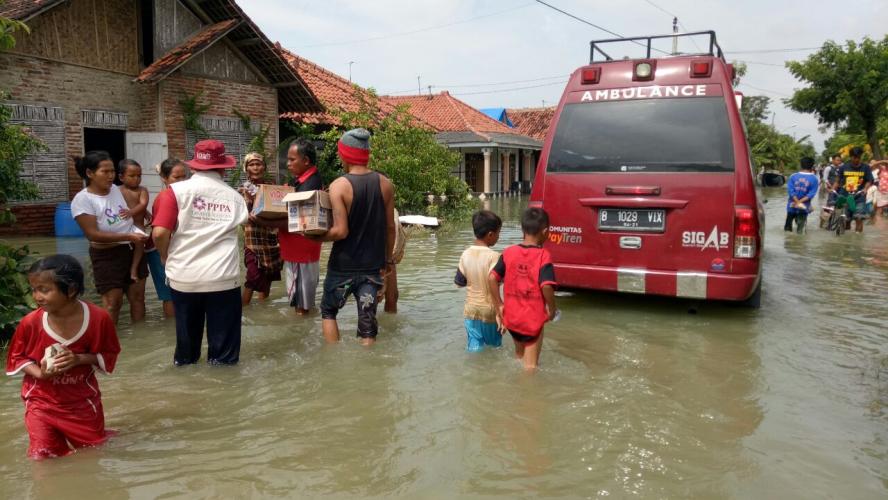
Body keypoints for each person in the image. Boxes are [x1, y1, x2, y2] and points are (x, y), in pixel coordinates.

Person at [5, 255, 121, 459]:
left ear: (71, 289)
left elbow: (108, 353)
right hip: (40, 402)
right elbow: (17, 357)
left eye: (44, 289)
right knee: (42, 457)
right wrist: (41, 374)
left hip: (82, 402)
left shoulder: (98, 318)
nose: (37, 297)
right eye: (34, 290)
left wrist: (78, 359)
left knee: (93, 453)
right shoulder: (30, 323)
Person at [151, 140, 248, 365]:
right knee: (224, 356)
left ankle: (186, 389)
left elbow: (159, 234)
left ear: (193, 166)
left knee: (186, 349)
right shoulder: (235, 197)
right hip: (223, 279)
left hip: (184, 278)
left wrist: (165, 257)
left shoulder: (172, 193)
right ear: (223, 168)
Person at [314, 128, 396, 346]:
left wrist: (315, 237)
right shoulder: (385, 184)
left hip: (342, 266)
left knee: (329, 312)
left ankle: (332, 361)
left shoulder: (339, 185)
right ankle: (369, 370)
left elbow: (340, 231)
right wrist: (387, 261)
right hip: (373, 267)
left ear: (344, 154)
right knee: (367, 324)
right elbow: (390, 227)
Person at [71, 151, 148, 324]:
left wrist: (144, 214)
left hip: (132, 248)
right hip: (107, 255)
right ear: (90, 173)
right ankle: (109, 344)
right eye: (105, 172)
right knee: (113, 303)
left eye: (112, 171)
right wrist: (128, 235)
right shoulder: (82, 200)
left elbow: (131, 207)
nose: (111, 176)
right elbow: (92, 234)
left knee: (138, 299)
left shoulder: (114, 189)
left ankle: (140, 337)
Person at [488, 208, 557, 371]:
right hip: (532, 320)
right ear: (545, 231)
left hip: (512, 319)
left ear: (522, 230)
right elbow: (546, 286)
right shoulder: (543, 256)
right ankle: (525, 396)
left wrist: (499, 305)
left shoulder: (508, 252)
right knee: (530, 367)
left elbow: (492, 278)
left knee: (519, 358)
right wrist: (552, 309)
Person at [266, 138, 323, 315]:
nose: (288, 163)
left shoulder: (309, 184)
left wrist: (266, 222)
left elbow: (298, 219)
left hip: (301, 249)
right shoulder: (302, 181)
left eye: (292, 160)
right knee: (301, 300)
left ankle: (301, 334)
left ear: (305, 161)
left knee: (301, 304)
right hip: (300, 250)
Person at [145, 159, 189, 318]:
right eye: (176, 177)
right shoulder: (165, 197)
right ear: (164, 178)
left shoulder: (183, 195)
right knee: (169, 294)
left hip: (175, 248)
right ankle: (172, 329)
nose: (182, 181)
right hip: (160, 248)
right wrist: (163, 255)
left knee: (179, 292)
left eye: (184, 177)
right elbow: (159, 233)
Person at [454, 210, 503, 352]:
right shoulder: (495, 257)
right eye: (498, 233)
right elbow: (497, 280)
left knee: (474, 348)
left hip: (471, 310)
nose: (498, 237)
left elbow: (459, 282)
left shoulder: (465, 254)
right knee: (494, 348)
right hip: (490, 311)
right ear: (490, 234)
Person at [238, 152, 283, 306]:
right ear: (246, 168)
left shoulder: (271, 187)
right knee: (252, 276)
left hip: (271, 237)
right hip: (253, 238)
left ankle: (264, 307)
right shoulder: (242, 189)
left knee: (269, 273)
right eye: (252, 164)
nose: (255, 167)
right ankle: (244, 309)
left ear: (264, 167)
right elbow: (242, 215)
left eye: (258, 164)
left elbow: (279, 208)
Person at [118, 159, 149, 284]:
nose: (136, 179)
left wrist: (132, 212)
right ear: (121, 177)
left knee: (140, 242)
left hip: (137, 224)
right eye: (132, 176)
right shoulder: (117, 190)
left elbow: (143, 204)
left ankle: (134, 268)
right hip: (123, 226)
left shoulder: (142, 190)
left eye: (139, 176)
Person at [832, 146, 874, 233]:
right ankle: (846, 240)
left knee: (859, 217)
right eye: (855, 157)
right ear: (851, 157)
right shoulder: (843, 167)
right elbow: (837, 180)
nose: (857, 159)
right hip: (845, 196)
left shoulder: (866, 167)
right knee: (846, 220)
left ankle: (858, 237)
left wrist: (865, 189)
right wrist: (833, 190)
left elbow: (869, 180)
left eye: (858, 157)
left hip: (859, 196)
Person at [784, 156, 819, 234]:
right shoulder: (814, 179)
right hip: (804, 206)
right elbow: (811, 194)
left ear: (801, 165)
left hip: (791, 205)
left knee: (787, 228)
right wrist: (800, 202)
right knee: (801, 230)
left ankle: (787, 245)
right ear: (812, 166)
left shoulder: (793, 176)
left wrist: (796, 202)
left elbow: (791, 191)